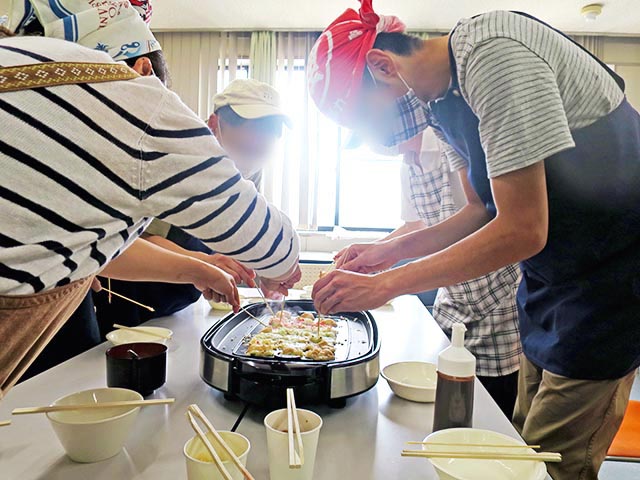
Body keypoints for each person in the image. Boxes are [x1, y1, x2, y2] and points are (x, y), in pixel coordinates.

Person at [307, 2, 640, 479]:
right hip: (553, 281)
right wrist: (385, 255)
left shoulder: (492, 55)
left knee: (550, 462)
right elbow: (479, 211)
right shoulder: (442, 105)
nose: (377, 138)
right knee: (517, 444)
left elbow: (524, 228)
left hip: (611, 283)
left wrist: (385, 286)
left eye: (365, 120)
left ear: (383, 66)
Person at [0, 25, 300, 397]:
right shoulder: (137, 114)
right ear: (143, 73)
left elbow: (97, 248)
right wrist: (281, 271)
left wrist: (198, 268)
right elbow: (273, 242)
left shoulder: (31, 88)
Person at [94, 79, 294, 332]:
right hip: (128, 297)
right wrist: (203, 264)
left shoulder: (247, 172)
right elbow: (135, 240)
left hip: (177, 306)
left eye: (261, 153)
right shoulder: (177, 162)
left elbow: (232, 232)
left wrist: (264, 267)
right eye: (244, 148)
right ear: (213, 126)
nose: (250, 161)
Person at [366, 130, 521, 417]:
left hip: (496, 299)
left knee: (489, 410)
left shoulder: (452, 145)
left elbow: (484, 217)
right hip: (451, 298)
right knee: (443, 404)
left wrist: (386, 281)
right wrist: (370, 253)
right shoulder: (408, 166)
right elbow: (419, 226)